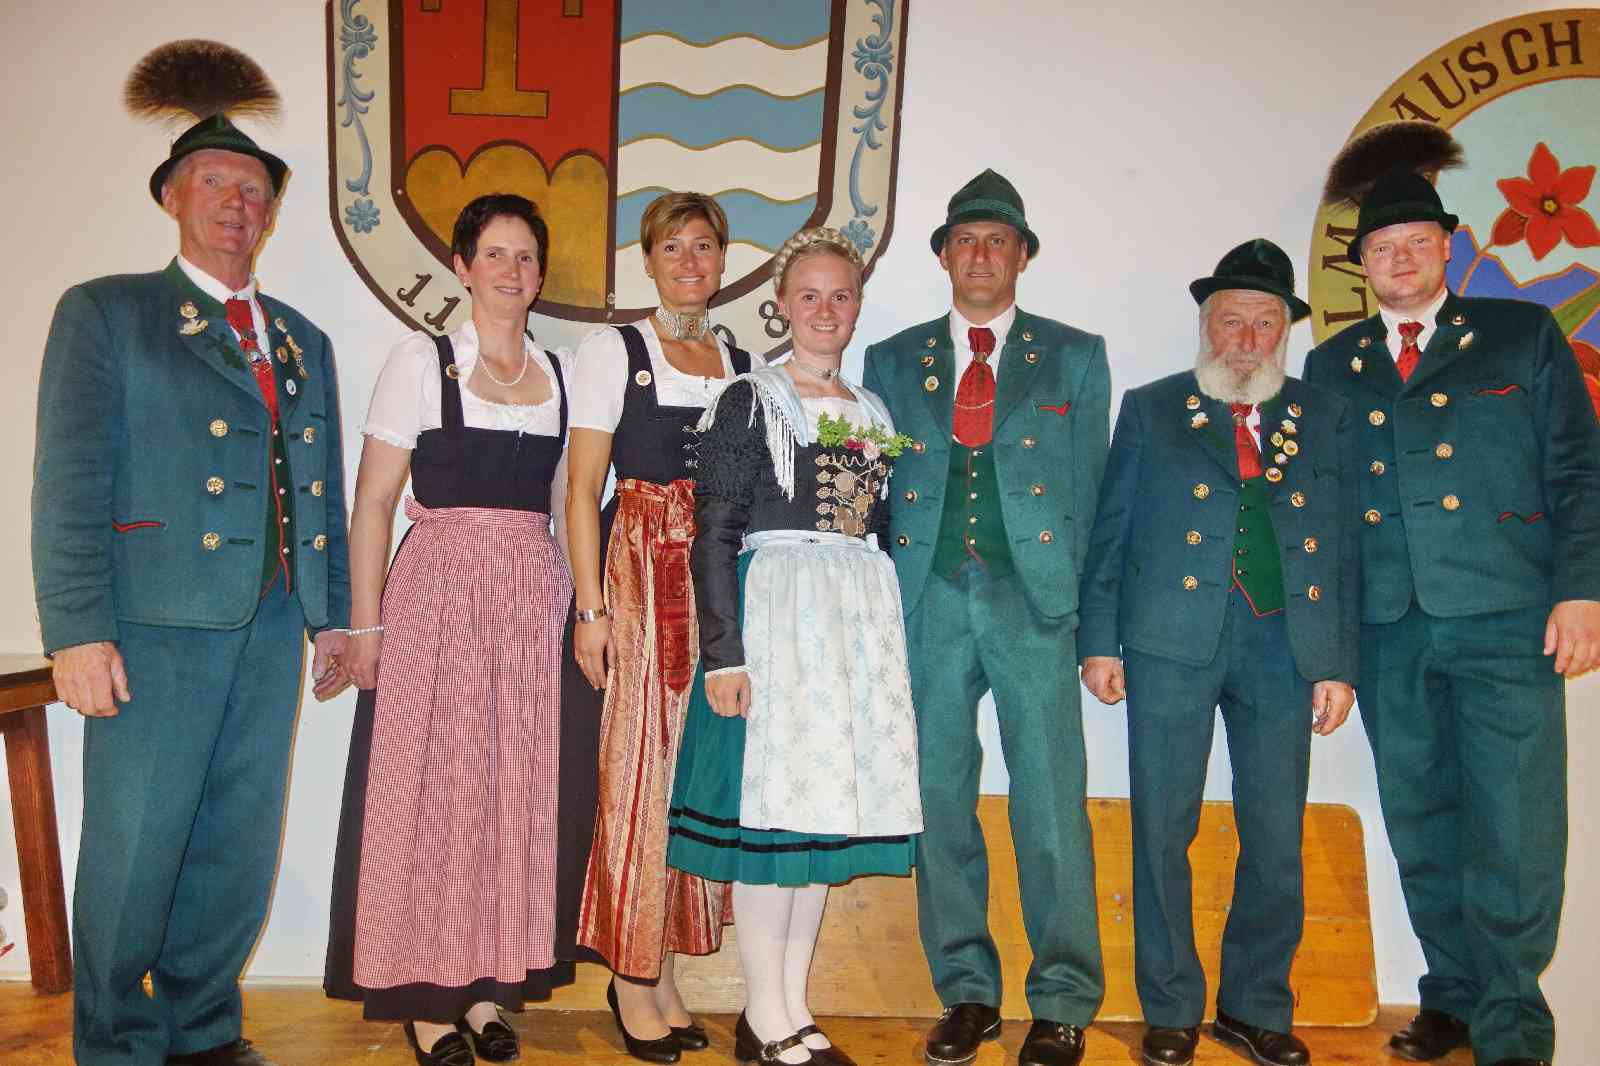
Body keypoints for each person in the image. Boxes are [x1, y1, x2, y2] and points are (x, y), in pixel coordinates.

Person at [30, 41, 350, 1066]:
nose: (235, 203)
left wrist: (332, 615)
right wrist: (76, 632)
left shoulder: (302, 338)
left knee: (234, 842)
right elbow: (68, 483)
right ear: (172, 196)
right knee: (135, 846)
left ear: (272, 209)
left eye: (253, 189)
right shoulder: (108, 313)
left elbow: (321, 490)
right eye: (213, 183)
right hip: (153, 625)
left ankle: (202, 1028)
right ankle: (118, 1041)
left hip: (269, 621)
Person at [1304, 123, 1600, 1066]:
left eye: (1417, 243)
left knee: (1515, 825)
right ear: (1362, 266)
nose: (1399, 259)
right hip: (1388, 629)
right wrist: (1331, 650)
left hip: (1507, 619)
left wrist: (1582, 591)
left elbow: (1578, 471)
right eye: (1382, 248)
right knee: (1422, 821)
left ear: (1448, 248)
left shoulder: (1521, 335)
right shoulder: (1333, 364)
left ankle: (1513, 1024)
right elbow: (1323, 515)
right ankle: (1456, 997)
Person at [1079, 240, 1359, 1066]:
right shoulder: (1153, 407)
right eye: (1231, 320)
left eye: (1264, 322)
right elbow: (1111, 530)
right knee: (1163, 827)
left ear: (1285, 332)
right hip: (1168, 641)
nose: (1247, 338)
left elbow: (1344, 543)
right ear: (1206, 325)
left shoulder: (1323, 414)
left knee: (1273, 830)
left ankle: (1254, 1005)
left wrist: (1337, 661)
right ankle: (1170, 1007)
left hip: (1285, 644)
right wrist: (1099, 641)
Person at [861, 169, 1110, 1066]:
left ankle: (1064, 998)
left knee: (1050, 801)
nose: (980, 254)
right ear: (942, 256)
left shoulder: (1075, 355)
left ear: (1022, 256)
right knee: (937, 798)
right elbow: (873, 489)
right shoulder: (891, 359)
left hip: (1034, 600)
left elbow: (1094, 497)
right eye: (964, 240)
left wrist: (1096, 625)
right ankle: (967, 991)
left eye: (997, 241)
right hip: (926, 599)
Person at [320, 194, 574, 1066]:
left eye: (525, 256)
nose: (511, 270)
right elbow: (373, 503)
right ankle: (424, 998)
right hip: (436, 598)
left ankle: (486, 987)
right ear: (462, 268)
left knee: (508, 791)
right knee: (429, 791)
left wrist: (577, 607)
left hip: (528, 603)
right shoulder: (422, 362)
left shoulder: (559, 374)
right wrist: (367, 627)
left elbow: (563, 504)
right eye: (494, 254)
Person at [667, 227, 923, 1066]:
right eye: (808, 295)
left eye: (840, 295)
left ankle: (792, 1008)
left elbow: (879, 527)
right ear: (781, 305)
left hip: (851, 624)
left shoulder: (872, 410)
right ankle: (766, 1011)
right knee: (771, 821)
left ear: (857, 305)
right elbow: (714, 533)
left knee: (818, 823)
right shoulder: (753, 399)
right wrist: (725, 654)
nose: (825, 310)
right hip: (780, 618)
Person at [566, 191, 754, 1063]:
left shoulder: (742, 362)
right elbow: (581, 488)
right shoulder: (616, 350)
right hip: (639, 569)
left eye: (703, 246)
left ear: (722, 260)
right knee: (638, 770)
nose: (689, 261)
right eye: (671, 246)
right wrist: (591, 609)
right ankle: (630, 975)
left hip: (715, 579)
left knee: (693, 774)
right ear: (647, 260)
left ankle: (664, 967)